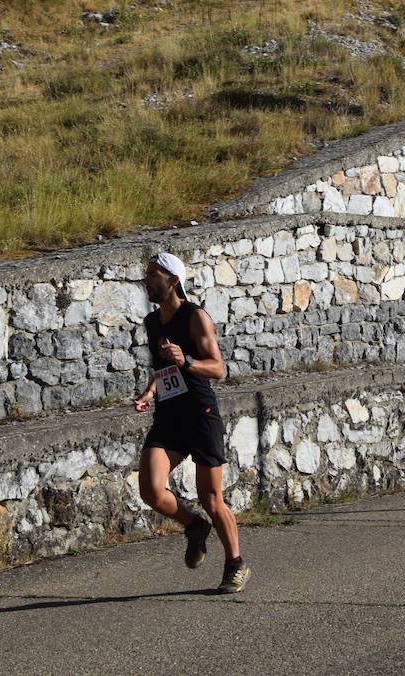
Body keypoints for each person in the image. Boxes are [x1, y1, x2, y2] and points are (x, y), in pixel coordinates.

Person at [133, 252, 252, 594]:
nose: (147, 281)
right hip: (169, 415)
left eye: (153, 275)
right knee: (151, 490)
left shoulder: (195, 317)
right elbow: (163, 368)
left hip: (201, 415)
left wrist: (186, 360)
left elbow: (218, 368)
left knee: (211, 497)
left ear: (172, 281)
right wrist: (149, 391)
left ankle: (236, 563)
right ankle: (194, 527)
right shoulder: (152, 323)